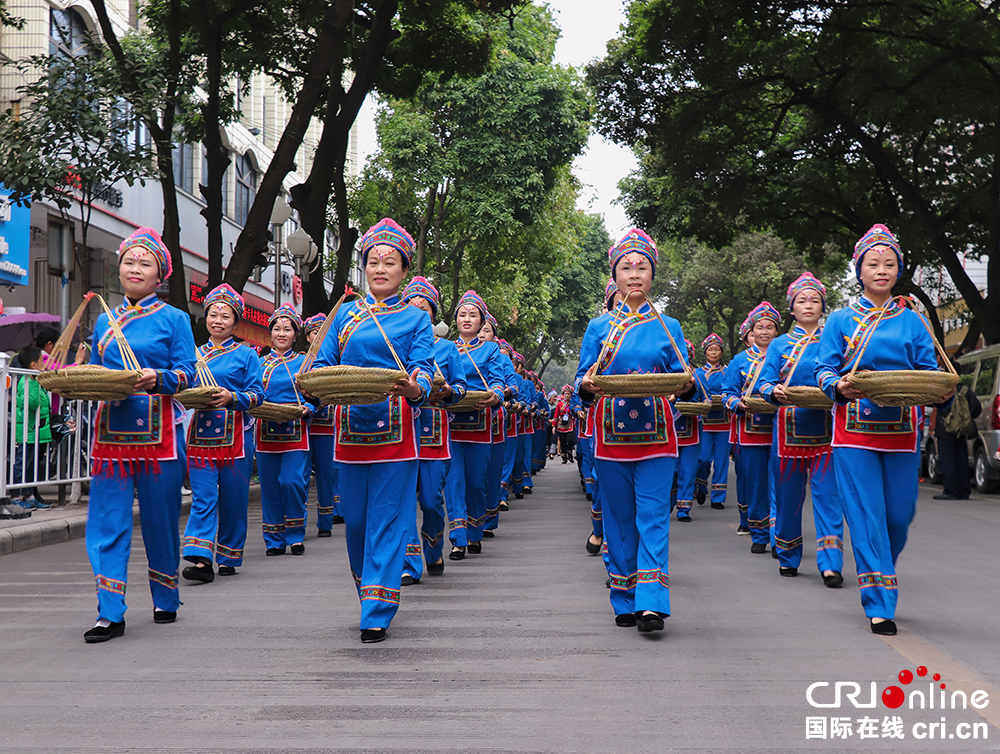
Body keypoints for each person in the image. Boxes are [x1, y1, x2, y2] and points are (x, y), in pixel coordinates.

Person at [815, 223, 954, 635]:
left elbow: (930, 373)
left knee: (898, 514)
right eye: (872, 263)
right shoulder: (840, 319)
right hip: (853, 433)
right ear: (859, 270)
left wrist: (941, 393)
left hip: (902, 432)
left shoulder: (913, 321)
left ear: (899, 270)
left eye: (889, 263)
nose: (881, 269)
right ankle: (879, 599)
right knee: (867, 514)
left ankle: (879, 567)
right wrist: (836, 385)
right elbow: (825, 369)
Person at [312, 218, 435, 643]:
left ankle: (377, 607)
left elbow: (423, 366)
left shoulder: (415, 319)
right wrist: (315, 392)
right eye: (373, 262)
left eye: (390, 262)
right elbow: (323, 364)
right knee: (359, 523)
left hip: (397, 437)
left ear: (404, 270)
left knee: (386, 519)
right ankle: (368, 589)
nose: (380, 268)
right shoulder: (345, 314)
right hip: (349, 435)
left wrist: (416, 387)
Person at [576, 228, 693, 633]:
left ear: (652, 275)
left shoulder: (668, 325)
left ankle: (651, 602)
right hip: (609, 436)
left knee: (654, 517)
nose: (635, 273)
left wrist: (688, 383)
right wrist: (587, 387)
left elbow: (684, 377)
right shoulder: (598, 327)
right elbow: (582, 380)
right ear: (615, 276)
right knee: (620, 519)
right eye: (626, 267)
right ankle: (623, 598)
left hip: (658, 436)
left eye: (642, 267)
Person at [83, 227, 196, 643]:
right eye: (130, 261)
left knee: (160, 522)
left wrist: (159, 377)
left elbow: (187, 373)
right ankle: (109, 612)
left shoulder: (175, 319)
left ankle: (165, 596)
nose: (135, 268)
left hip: (160, 439)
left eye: (144, 263)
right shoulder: (103, 320)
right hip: (110, 438)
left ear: (158, 275)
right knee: (107, 522)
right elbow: (96, 373)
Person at [757, 273, 845, 585]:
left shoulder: (833, 341)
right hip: (788, 433)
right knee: (788, 497)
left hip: (827, 433)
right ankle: (788, 554)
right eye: (801, 301)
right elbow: (764, 381)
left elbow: (846, 376)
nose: (809, 305)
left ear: (823, 307)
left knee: (828, 497)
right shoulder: (780, 344)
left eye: (815, 300)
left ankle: (831, 563)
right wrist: (772, 391)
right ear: (791, 308)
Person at [180, 284, 264, 582]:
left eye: (225, 316)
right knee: (203, 496)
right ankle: (201, 558)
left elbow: (257, 395)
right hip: (200, 437)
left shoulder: (246, 356)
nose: (218, 320)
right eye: (213, 314)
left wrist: (233, 398)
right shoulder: (192, 355)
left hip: (237, 438)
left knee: (233, 498)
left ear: (235, 321)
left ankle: (229, 554)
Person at [400, 276, 466, 583]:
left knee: (430, 500)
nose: (416, 311)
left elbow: (462, 387)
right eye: (411, 305)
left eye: (423, 307)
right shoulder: (392, 342)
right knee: (400, 501)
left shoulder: (448, 348)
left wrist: (449, 391)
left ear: (432, 314)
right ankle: (409, 564)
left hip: (433, 432)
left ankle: (434, 547)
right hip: (397, 427)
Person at [445, 290, 505, 560]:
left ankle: (475, 532)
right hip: (451, 423)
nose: (467, 319)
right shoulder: (445, 348)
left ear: (482, 321)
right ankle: (458, 539)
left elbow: (497, 380)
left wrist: (496, 394)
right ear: (455, 319)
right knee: (453, 481)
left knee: (476, 483)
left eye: (473, 315)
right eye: (462, 314)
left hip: (480, 423)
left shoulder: (491, 349)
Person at [723, 302, 780, 553]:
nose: (765, 331)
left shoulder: (786, 356)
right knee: (756, 485)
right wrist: (739, 404)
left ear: (777, 331)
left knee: (781, 484)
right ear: (752, 331)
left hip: (784, 430)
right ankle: (758, 533)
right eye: (760, 327)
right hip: (752, 434)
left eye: (770, 327)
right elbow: (727, 394)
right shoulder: (739, 361)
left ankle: (781, 536)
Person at [257, 304, 312, 557]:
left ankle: (295, 534)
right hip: (265, 431)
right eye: (277, 328)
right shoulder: (258, 364)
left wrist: (309, 408)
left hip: (295, 432)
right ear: (270, 333)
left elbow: (317, 396)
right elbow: (252, 394)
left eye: (287, 329)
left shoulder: (304, 363)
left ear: (295, 334)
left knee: (291, 482)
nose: (282, 333)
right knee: (269, 486)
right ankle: (274, 539)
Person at [302, 313, 343, 536]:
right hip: (301, 426)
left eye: (324, 333)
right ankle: (298, 520)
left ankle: (327, 519)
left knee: (328, 473)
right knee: (301, 475)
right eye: (315, 333)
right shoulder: (301, 361)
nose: (319, 337)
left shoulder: (334, 358)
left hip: (327, 426)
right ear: (308, 336)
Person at [11, 345, 53, 509]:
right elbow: (33, 403)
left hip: (35, 431)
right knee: (23, 465)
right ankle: (14, 496)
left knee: (31, 466)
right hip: (29, 432)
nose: (44, 363)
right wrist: (36, 382)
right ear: (33, 365)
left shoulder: (34, 379)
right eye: (42, 361)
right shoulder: (28, 380)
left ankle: (28, 496)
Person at [932, 361, 981, 501]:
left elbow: (931, 403)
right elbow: (976, 409)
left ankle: (950, 490)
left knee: (948, 461)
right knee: (962, 461)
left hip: (945, 430)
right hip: (962, 431)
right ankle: (964, 491)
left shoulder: (942, 391)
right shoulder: (966, 391)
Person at [672, 339, 709, 522]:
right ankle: (670, 499)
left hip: (692, 429)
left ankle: (684, 508)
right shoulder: (666, 375)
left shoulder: (697, 376)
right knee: (672, 471)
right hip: (668, 429)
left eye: (685, 353)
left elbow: (705, 397)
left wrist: (703, 405)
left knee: (688, 470)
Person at [694, 334, 730, 510]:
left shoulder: (728, 371)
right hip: (704, 422)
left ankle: (718, 497)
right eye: (710, 349)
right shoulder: (697, 373)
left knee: (722, 460)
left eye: (716, 349)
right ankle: (701, 483)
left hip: (724, 421)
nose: (713, 352)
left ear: (721, 352)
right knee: (704, 458)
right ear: (705, 353)